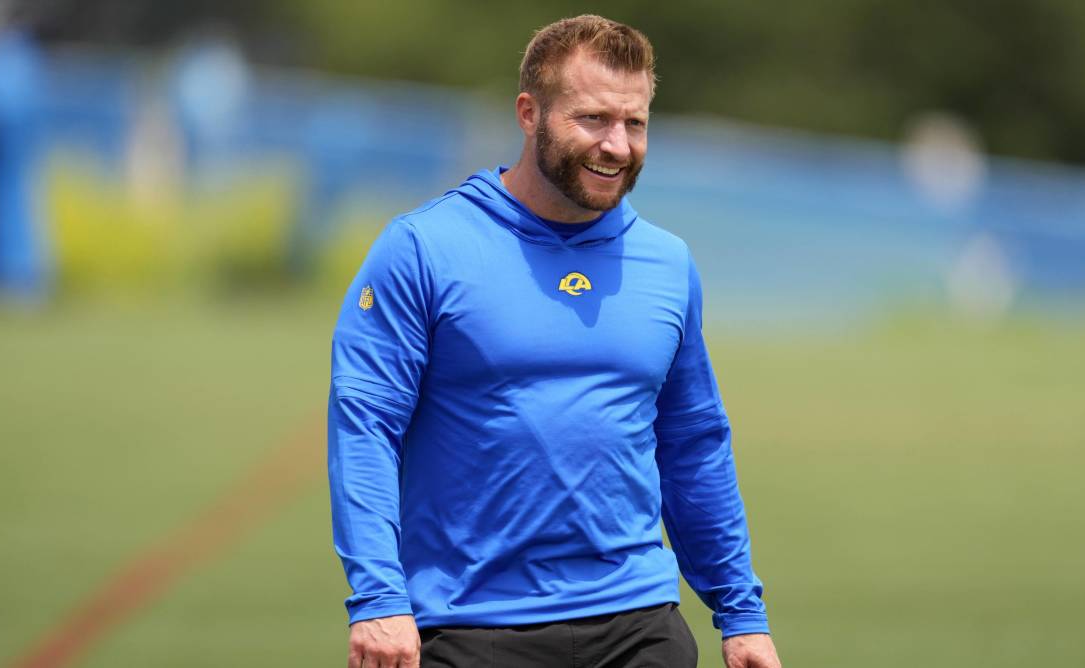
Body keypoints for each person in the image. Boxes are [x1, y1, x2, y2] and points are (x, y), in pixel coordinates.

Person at [328, 14, 781, 668]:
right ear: (528, 112)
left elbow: (693, 444)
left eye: (635, 123)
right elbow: (364, 425)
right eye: (593, 119)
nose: (618, 145)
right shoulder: (425, 247)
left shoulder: (667, 262)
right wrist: (378, 596)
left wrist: (741, 614)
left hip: (638, 621)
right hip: (470, 623)